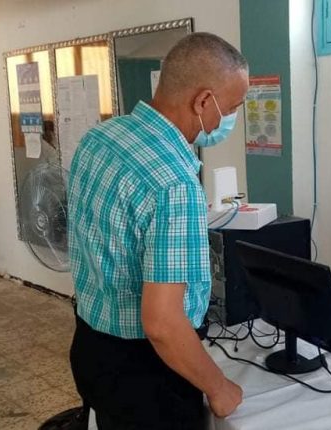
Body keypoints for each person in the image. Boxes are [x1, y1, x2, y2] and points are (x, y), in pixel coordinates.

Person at [67, 32, 249, 429]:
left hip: (91, 346)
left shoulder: (100, 137)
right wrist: (219, 388)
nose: (231, 120)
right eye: (233, 107)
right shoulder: (174, 183)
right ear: (203, 101)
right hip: (146, 375)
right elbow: (163, 324)